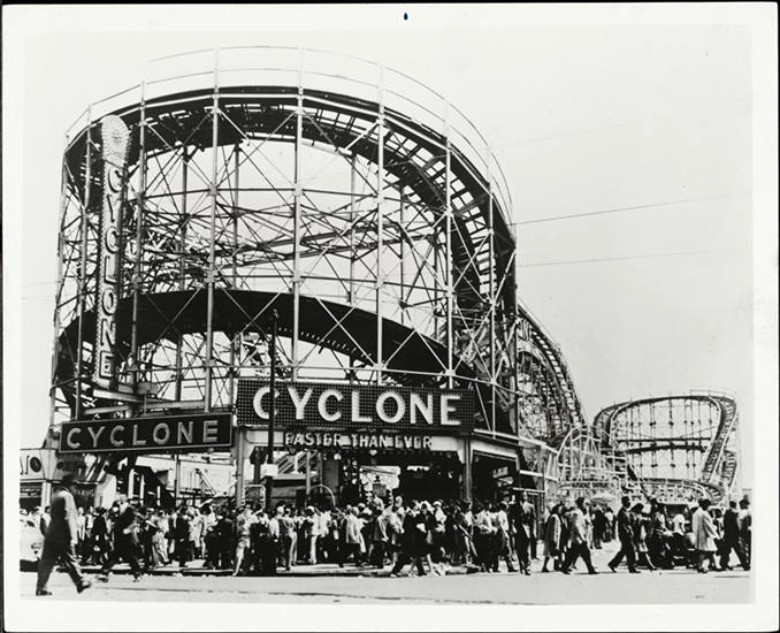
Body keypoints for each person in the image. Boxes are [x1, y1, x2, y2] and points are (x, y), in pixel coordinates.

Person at [35, 474, 92, 596]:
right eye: (75, 486)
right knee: (71, 559)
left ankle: (41, 587)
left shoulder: (55, 495)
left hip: (51, 533)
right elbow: (67, 517)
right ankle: (80, 582)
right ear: (70, 485)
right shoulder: (67, 496)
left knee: (46, 562)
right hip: (63, 534)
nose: (75, 489)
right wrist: (72, 535)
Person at [99, 494, 143, 582]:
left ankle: (137, 574)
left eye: (119, 500)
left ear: (123, 500)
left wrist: (128, 529)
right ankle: (104, 574)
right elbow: (111, 518)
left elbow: (134, 521)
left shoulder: (130, 508)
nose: (117, 502)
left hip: (128, 537)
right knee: (114, 556)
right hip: (119, 537)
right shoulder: (116, 509)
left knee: (131, 557)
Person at [561, 497, 598, 575]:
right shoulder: (577, 513)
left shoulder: (581, 512)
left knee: (573, 554)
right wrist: (582, 537)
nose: (586, 505)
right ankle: (590, 569)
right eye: (585, 504)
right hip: (578, 538)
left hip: (579, 538)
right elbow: (576, 526)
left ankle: (564, 567)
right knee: (585, 553)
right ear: (581, 504)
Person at [608, 496, 639, 573]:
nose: (629, 503)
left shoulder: (626, 512)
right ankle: (632, 567)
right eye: (627, 501)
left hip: (628, 533)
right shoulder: (621, 512)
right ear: (624, 502)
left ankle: (613, 564)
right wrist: (628, 532)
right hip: (625, 534)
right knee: (631, 550)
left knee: (624, 551)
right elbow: (622, 525)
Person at [509, 492, 534, 575]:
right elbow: (511, 518)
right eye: (523, 495)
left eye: (525, 495)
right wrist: (512, 528)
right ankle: (521, 566)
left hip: (527, 530)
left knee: (527, 550)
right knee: (519, 549)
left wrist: (533, 531)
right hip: (518, 530)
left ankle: (528, 567)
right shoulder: (514, 506)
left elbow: (533, 520)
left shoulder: (530, 506)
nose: (524, 497)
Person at [692, 498, 720, 573]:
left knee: (709, 551)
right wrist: (715, 534)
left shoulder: (699, 513)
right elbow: (708, 526)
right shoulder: (705, 514)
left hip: (702, 534)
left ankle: (713, 565)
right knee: (704, 551)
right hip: (706, 535)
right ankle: (701, 566)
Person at [719, 501, 749, 570]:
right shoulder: (735, 514)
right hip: (734, 535)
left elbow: (724, 525)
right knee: (739, 551)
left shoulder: (726, 514)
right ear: (735, 506)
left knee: (726, 551)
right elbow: (737, 525)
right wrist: (739, 533)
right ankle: (745, 565)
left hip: (727, 535)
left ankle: (724, 565)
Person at [232, 504, 256, 576]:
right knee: (238, 555)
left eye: (248, 509)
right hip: (242, 537)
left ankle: (245, 571)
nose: (247, 510)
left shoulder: (253, 518)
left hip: (249, 537)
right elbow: (237, 528)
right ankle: (235, 571)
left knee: (247, 555)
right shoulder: (240, 517)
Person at [541, 503, 562, 572]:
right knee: (553, 552)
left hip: (552, 537)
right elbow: (554, 529)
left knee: (549, 553)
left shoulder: (554, 516)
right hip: (553, 537)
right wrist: (554, 539)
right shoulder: (554, 517)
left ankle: (548, 566)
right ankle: (555, 566)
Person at [738, 498, 751, 569]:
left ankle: (746, 561)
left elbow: (740, 523)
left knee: (743, 547)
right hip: (750, 531)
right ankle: (749, 561)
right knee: (749, 547)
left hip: (743, 532)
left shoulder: (742, 512)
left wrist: (739, 531)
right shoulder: (750, 511)